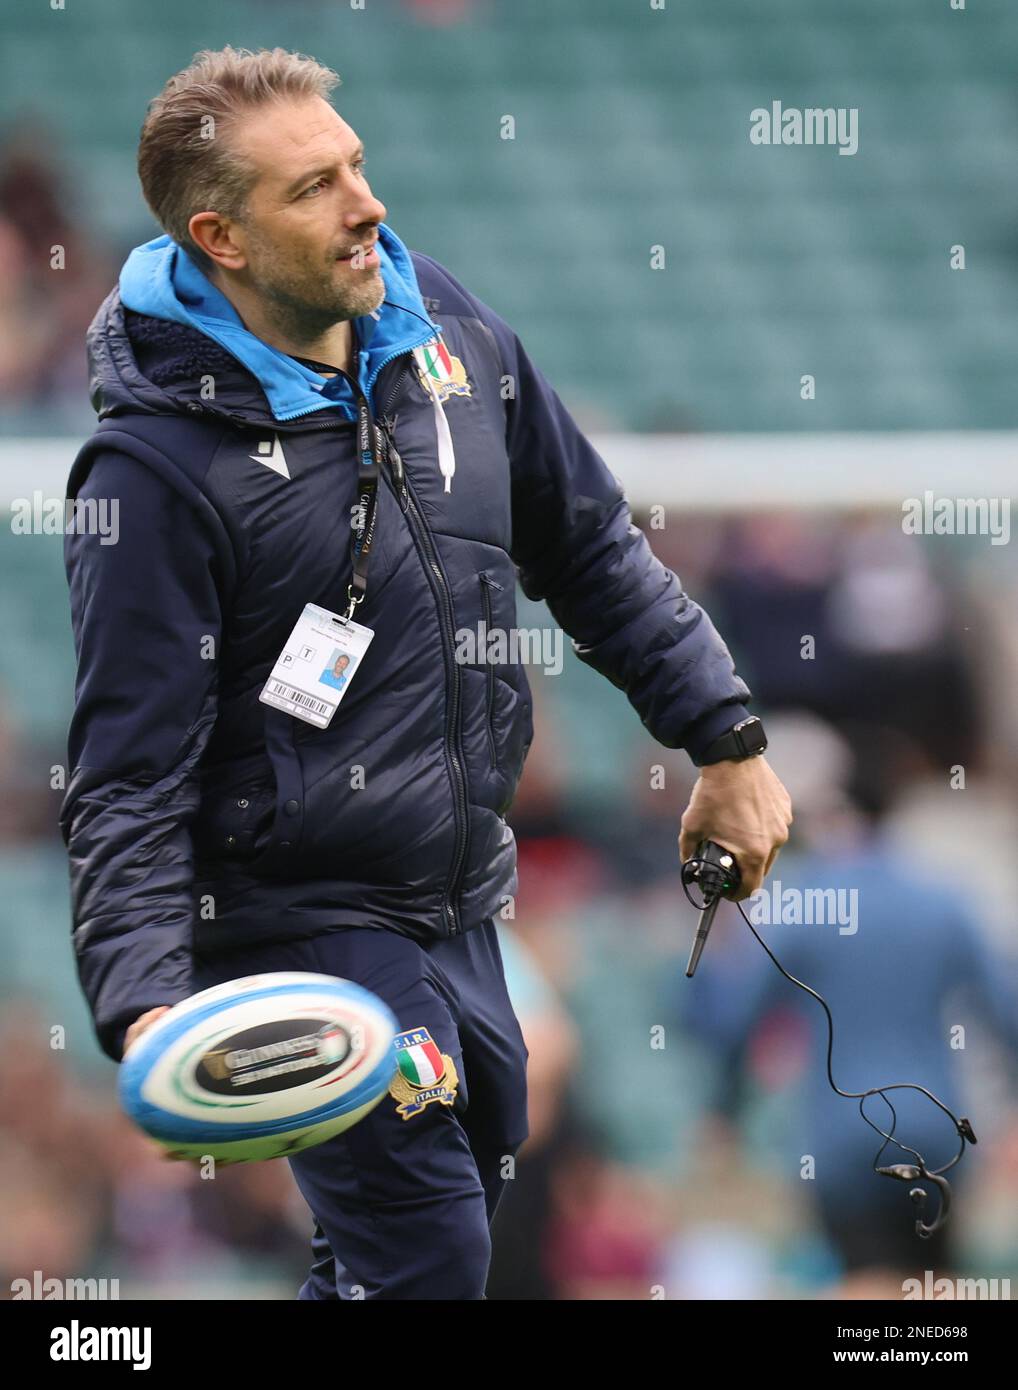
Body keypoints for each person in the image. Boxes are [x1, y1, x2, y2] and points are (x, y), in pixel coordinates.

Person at [59, 46, 792, 1300]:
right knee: (431, 1259)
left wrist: (724, 740)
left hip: (461, 902)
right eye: (315, 188)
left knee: (401, 1262)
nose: (366, 202)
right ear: (218, 235)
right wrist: (148, 1015)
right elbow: (126, 780)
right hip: (299, 923)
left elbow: (592, 545)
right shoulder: (150, 473)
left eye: (356, 164)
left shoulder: (442, 325)